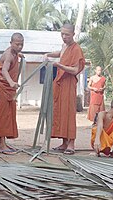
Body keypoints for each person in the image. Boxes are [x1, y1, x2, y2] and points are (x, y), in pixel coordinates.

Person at [44, 23, 85, 155]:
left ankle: (71, 143)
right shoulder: (64, 46)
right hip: (60, 84)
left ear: (73, 34)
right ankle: (64, 142)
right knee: (60, 112)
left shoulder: (76, 49)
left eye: (67, 34)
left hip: (68, 83)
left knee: (68, 113)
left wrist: (59, 65)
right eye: (62, 34)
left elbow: (75, 70)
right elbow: (61, 53)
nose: (64, 36)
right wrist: (48, 54)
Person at [0, 33, 24, 154]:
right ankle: (1, 144)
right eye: (17, 44)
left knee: (9, 116)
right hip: (2, 89)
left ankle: (4, 143)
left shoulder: (15, 54)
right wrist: (11, 82)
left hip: (9, 91)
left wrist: (18, 54)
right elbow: (4, 70)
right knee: (3, 117)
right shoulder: (9, 55)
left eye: (21, 44)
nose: (20, 46)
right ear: (11, 43)